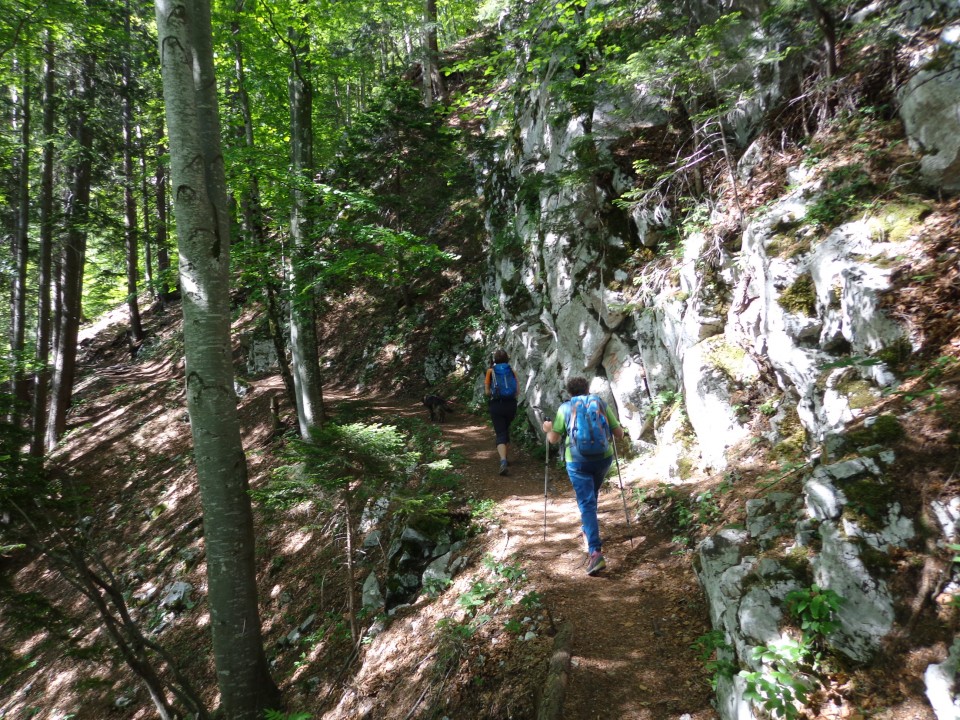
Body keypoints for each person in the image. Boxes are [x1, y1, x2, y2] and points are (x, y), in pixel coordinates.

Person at [542, 376, 624, 576]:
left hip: (578, 461)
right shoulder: (600, 404)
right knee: (591, 497)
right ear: (587, 389)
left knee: (587, 503)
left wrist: (547, 429)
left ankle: (595, 552)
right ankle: (588, 529)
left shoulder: (565, 408)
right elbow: (619, 433)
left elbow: (553, 439)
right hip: (603, 458)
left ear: (569, 392)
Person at [484, 349, 519, 476]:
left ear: (494, 359)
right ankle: (505, 458)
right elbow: (517, 391)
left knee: (500, 432)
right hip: (511, 405)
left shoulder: (490, 372)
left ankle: (503, 460)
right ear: (507, 359)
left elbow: (487, 392)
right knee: (506, 429)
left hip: (496, 405)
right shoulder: (512, 371)